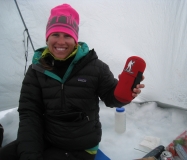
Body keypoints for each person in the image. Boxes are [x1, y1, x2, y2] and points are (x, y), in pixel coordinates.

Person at [0, 3, 145, 160]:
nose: (61, 42)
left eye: (67, 35)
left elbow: (111, 98)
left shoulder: (95, 67)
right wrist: (30, 154)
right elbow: (30, 113)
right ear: (47, 37)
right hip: (47, 138)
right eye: (55, 34)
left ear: (75, 39)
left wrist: (125, 94)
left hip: (81, 146)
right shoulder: (36, 70)